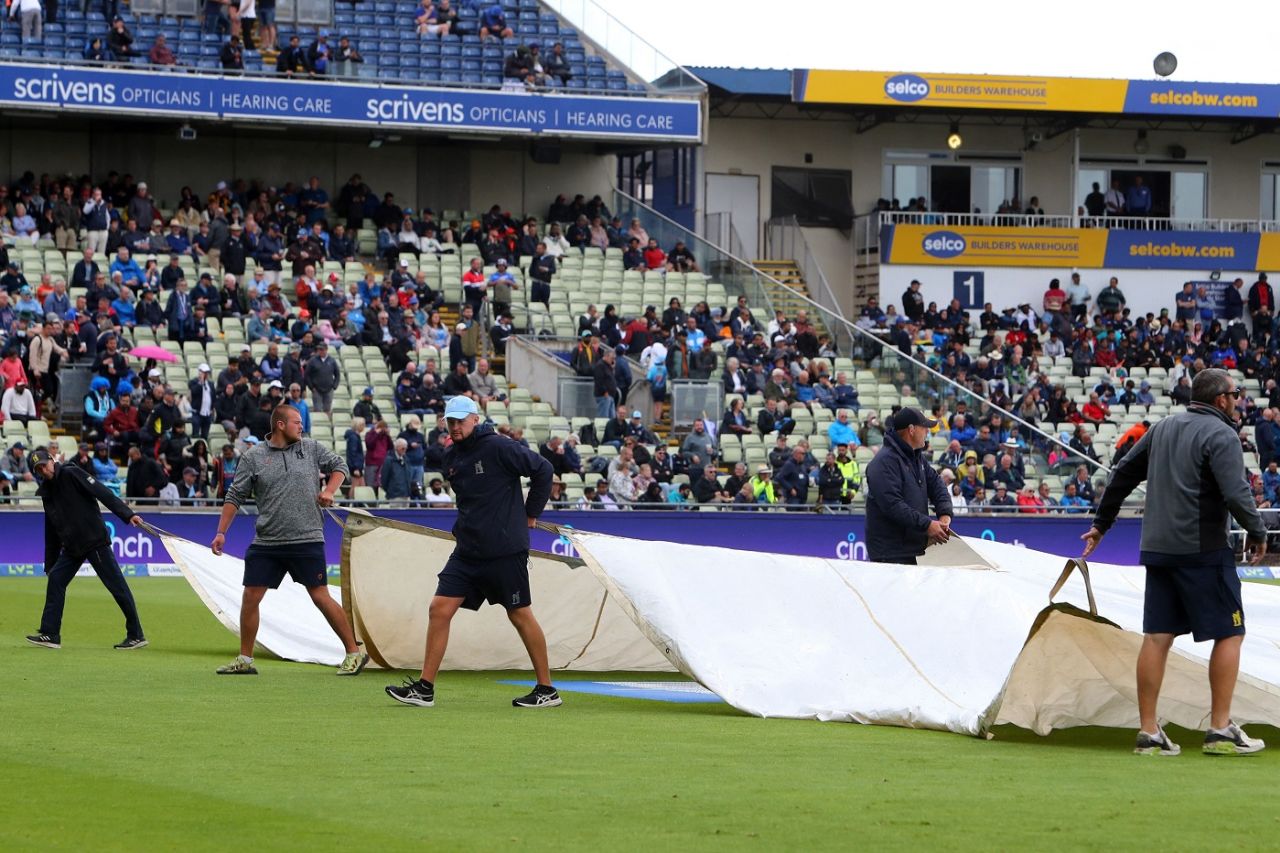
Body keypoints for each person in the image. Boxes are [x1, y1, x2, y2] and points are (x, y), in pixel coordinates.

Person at [1082, 368, 1268, 756]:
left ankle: (1149, 732)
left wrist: (1102, 523)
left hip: (1158, 549)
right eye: (1235, 395)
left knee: (1158, 636)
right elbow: (1236, 492)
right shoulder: (1222, 434)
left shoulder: (1162, 428)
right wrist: (1258, 531)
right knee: (1230, 632)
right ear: (1221, 400)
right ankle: (1219, 729)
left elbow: (1123, 473)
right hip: (1203, 549)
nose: (1238, 401)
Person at [385, 396, 560, 710]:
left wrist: (530, 513)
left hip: (505, 549)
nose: (454, 426)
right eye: (450, 421)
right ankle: (425, 689)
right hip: (467, 550)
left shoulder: (499, 447)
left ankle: (547, 689)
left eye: (460, 421)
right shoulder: (449, 456)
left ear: (475, 419)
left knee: (520, 615)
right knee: (439, 608)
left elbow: (543, 469)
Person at [211, 404, 368, 676]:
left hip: (307, 537)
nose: (302, 426)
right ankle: (245, 661)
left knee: (320, 596)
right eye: (297, 422)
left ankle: (354, 652)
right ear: (280, 425)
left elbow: (340, 466)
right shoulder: (253, 457)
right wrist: (221, 532)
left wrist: (330, 489)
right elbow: (234, 496)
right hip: (267, 542)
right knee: (250, 597)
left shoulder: (310, 448)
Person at [24, 448, 148, 651]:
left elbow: (102, 491)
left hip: (94, 541)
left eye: (44, 466)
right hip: (73, 547)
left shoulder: (72, 473)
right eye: (39, 470)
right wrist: (50, 563)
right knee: (55, 578)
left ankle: (136, 634)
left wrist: (127, 514)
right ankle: (50, 634)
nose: (43, 472)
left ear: (52, 460)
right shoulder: (47, 492)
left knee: (116, 586)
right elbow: (51, 529)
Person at [863, 407, 953, 564]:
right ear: (911, 430)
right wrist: (927, 525)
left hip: (914, 549)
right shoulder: (884, 462)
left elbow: (936, 483)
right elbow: (893, 505)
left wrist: (944, 513)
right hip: (891, 553)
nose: (927, 432)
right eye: (924, 427)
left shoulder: (917, 458)